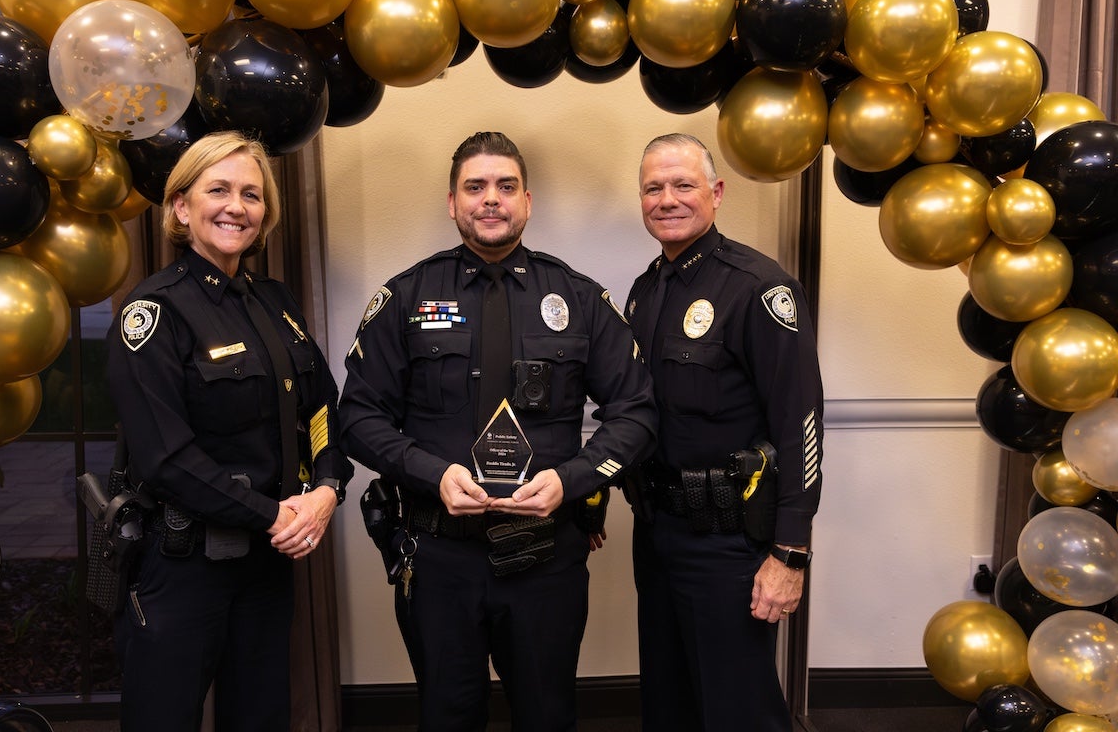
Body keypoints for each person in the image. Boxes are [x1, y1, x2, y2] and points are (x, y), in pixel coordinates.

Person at [339, 131, 657, 732]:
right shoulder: (405, 297)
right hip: (438, 556)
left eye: (506, 187)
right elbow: (357, 417)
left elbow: (637, 413)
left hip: (546, 557)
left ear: (528, 202)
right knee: (448, 714)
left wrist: (573, 480)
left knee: (546, 713)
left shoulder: (580, 298)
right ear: (452, 203)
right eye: (475, 187)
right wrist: (431, 473)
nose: (492, 199)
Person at [106, 130, 352, 732]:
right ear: (182, 208)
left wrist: (325, 490)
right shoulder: (153, 311)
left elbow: (322, 406)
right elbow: (165, 456)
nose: (237, 206)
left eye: (251, 193)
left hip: (267, 562)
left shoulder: (275, 302)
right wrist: (273, 514)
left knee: (262, 718)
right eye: (218, 190)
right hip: (184, 561)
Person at [624, 133, 823, 731]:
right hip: (657, 532)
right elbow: (636, 413)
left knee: (737, 710)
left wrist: (790, 552)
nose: (667, 199)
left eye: (683, 184)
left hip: (728, 542)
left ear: (715, 192)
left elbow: (801, 424)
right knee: (669, 701)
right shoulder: (645, 290)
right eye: (653, 187)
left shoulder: (759, 288)